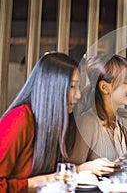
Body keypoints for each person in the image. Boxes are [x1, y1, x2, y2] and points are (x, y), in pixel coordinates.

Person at [0, 52, 81, 192]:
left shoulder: (53, 122)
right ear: (53, 87)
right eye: (73, 87)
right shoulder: (19, 119)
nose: (79, 95)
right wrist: (42, 181)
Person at [68, 54, 127, 176]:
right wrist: (88, 169)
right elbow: (70, 171)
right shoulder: (88, 122)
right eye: (126, 81)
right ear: (105, 87)